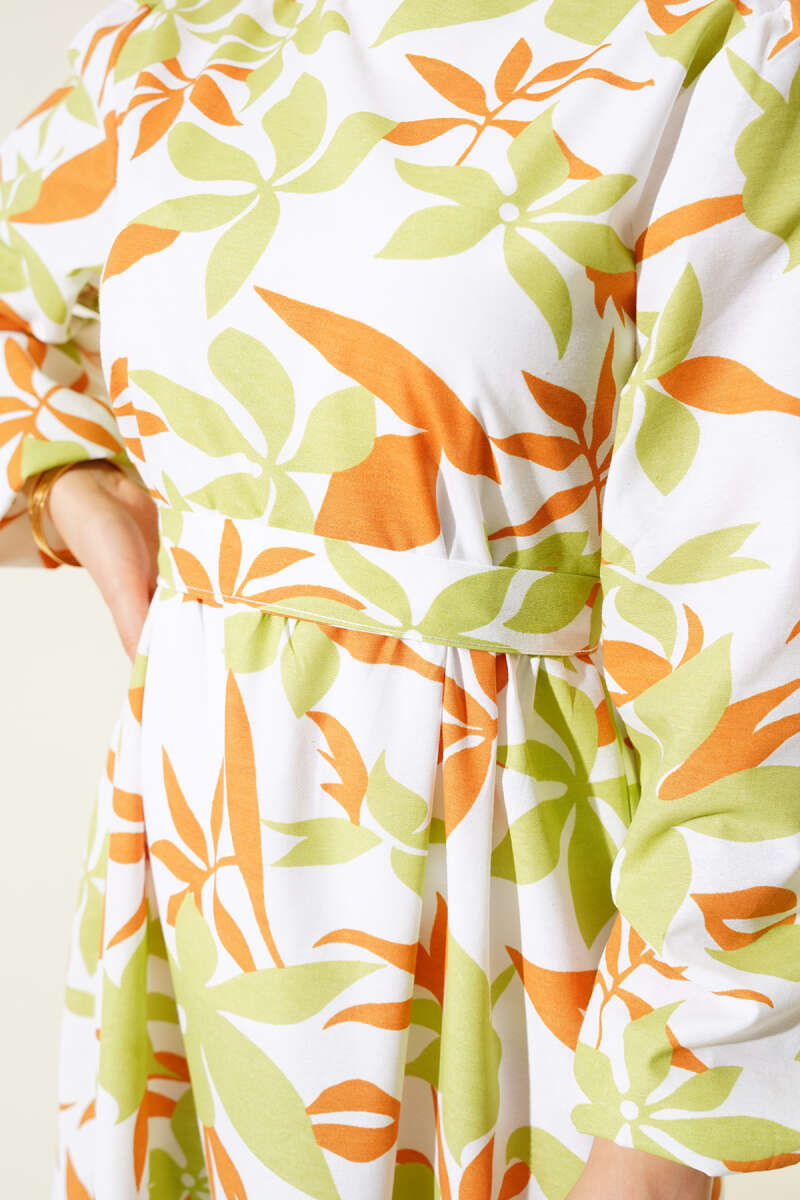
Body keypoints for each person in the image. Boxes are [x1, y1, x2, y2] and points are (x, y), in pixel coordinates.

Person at [2, 1, 799, 1197]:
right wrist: (65, 481)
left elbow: (754, 634)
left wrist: (656, 1136)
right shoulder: (185, 36)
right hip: (194, 873)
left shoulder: (715, 41)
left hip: (497, 894)